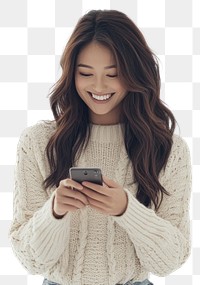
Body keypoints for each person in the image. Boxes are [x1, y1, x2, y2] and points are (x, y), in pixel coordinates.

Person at [9, 9, 192, 285]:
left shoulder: (168, 149)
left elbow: (170, 261)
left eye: (113, 74)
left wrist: (126, 209)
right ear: (72, 75)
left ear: (135, 74)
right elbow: (30, 260)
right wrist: (55, 211)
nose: (98, 86)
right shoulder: (36, 143)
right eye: (85, 73)